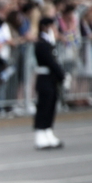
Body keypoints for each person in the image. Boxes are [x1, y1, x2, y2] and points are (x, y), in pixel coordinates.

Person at [33, 17, 68, 149]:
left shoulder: (49, 43)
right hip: (44, 78)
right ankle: (40, 134)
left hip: (51, 79)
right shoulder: (42, 43)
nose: (55, 29)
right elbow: (51, 62)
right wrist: (62, 75)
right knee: (43, 107)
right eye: (52, 26)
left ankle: (48, 132)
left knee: (51, 107)